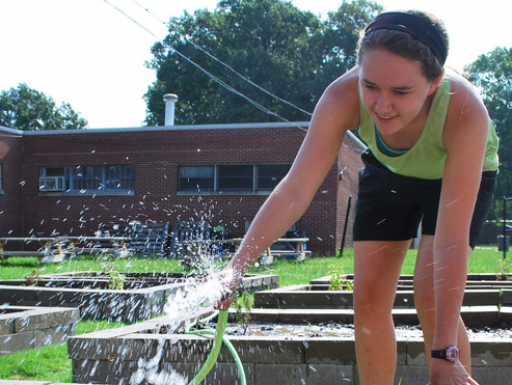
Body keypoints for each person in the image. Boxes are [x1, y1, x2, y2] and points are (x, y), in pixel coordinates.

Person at [216, 9, 499, 385]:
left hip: (457, 171)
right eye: (370, 86)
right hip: (390, 169)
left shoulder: (465, 112)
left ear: (434, 84)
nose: (381, 106)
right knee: (367, 299)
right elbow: (296, 189)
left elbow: (450, 242)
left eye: (400, 92)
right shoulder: (340, 97)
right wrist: (235, 268)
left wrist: (445, 353)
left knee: (430, 294)